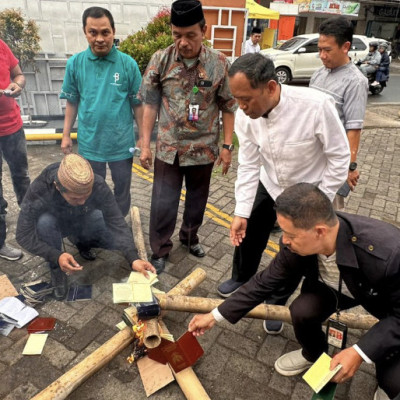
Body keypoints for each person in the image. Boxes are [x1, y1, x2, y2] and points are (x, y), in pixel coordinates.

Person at [189, 183, 400, 400]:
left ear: (320, 231)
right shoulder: (296, 244)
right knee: (301, 311)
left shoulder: (389, 253)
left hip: (386, 306)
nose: (284, 240)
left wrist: (359, 351)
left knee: (393, 381)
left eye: (290, 234)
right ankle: (313, 354)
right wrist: (214, 315)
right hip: (331, 289)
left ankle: (385, 385)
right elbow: (264, 282)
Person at [216, 54, 350, 330]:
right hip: (271, 181)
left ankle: (276, 303)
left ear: (271, 87)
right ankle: (242, 278)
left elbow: (339, 158)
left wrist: (317, 202)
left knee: (295, 246)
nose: (241, 107)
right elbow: (250, 163)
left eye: (247, 99)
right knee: (249, 230)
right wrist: (241, 210)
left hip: (311, 189)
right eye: (236, 99)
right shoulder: (245, 116)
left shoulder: (315, 106)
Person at [138, 0, 237, 273]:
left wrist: (227, 146)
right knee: (163, 201)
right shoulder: (161, 59)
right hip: (169, 148)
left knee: (197, 200)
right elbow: (149, 104)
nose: (182, 42)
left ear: (204, 30)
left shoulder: (219, 63)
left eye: (190, 35)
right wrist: (145, 145)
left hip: (204, 148)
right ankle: (160, 248)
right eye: (176, 35)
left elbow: (228, 106)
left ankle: (190, 237)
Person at [16, 154, 156, 300]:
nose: (82, 201)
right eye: (76, 198)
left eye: (86, 196)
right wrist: (56, 256)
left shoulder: (97, 183)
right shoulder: (40, 189)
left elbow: (116, 221)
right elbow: (22, 235)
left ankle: (81, 241)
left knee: (113, 240)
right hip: (55, 224)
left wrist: (133, 258)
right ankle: (57, 268)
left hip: (83, 219)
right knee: (45, 222)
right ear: (58, 187)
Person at [60, 6, 143, 225]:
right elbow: (72, 101)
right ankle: (94, 228)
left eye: (105, 32)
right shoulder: (75, 64)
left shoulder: (128, 65)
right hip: (90, 143)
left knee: (122, 189)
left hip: (121, 143)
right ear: (85, 32)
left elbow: (138, 105)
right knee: (90, 190)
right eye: (93, 32)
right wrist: (66, 134)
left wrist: (144, 138)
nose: (99, 38)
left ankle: (118, 224)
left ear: (113, 32)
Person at [0, 39, 31, 261]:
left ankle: (31, 222)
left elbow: (19, 74)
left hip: (13, 126)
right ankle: (0, 242)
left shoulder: (1, 46)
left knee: (22, 177)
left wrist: (17, 85)